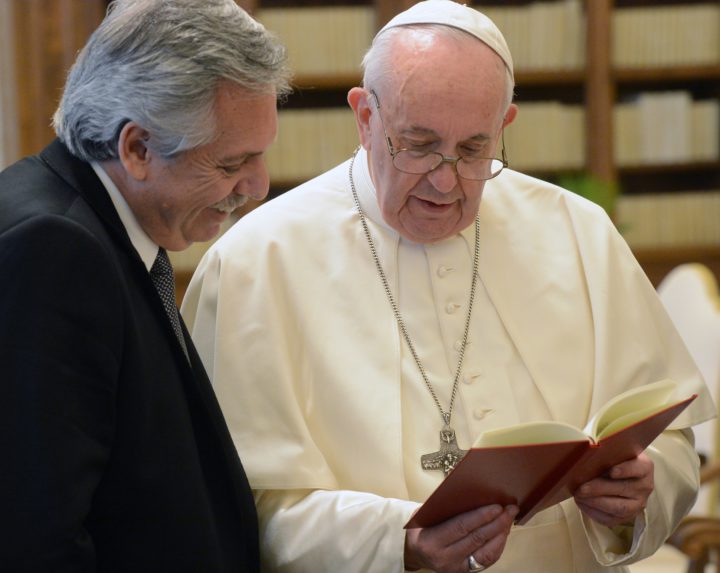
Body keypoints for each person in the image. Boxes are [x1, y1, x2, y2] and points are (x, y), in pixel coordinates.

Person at [181, 1, 714, 572]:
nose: (445, 180)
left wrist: (639, 496)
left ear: (504, 126)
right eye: (418, 144)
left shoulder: (578, 232)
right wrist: (397, 544)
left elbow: (673, 442)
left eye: (472, 150)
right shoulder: (256, 261)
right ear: (365, 118)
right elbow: (237, 509)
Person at [0, 0, 290, 571]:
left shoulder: (88, 224)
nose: (256, 186)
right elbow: (36, 539)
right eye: (233, 163)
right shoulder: (54, 251)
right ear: (136, 148)